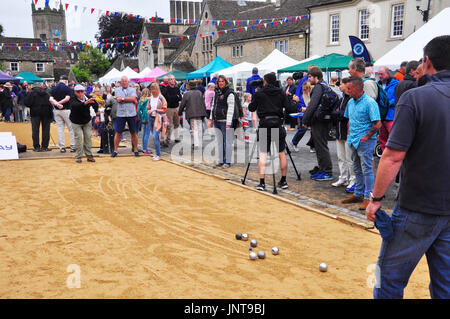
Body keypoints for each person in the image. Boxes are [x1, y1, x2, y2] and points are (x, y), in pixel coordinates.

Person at [366, 35, 450, 299]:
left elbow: (392, 157)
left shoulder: (416, 97)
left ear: (427, 62)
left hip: (418, 207)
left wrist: (375, 199)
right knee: (446, 285)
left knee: (387, 278)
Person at [341, 77, 381, 210]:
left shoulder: (370, 103)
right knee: (357, 168)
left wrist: (367, 136)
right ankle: (358, 194)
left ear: (358, 89)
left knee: (367, 169)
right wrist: (349, 135)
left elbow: (377, 124)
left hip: (365, 141)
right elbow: (349, 120)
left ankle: (368, 198)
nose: (347, 91)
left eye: (349, 88)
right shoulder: (351, 102)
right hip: (354, 139)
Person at [249, 72, 290, 191]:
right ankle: (283, 180)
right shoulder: (281, 92)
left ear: (265, 81)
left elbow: (251, 107)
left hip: (264, 125)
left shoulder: (259, 93)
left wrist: (255, 95)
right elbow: (289, 107)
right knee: (281, 153)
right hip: (277, 124)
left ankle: (262, 182)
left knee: (263, 153)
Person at [302, 67, 334, 181]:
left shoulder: (319, 87)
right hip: (323, 120)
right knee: (319, 146)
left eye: (310, 76)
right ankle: (322, 169)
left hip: (320, 121)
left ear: (316, 77)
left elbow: (312, 105)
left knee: (321, 146)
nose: (308, 78)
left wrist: (305, 120)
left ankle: (327, 172)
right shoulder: (324, 85)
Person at [331, 77, 355, 188]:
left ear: (346, 85)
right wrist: (339, 114)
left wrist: (339, 113)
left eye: (341, 84)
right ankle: (343, 177)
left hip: (347, 132)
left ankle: (352, 179)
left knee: (349, 158)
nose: (339, 86)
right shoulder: (341, 99)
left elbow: (346, 114)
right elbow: (334, 113)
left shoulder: (351, 99)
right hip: (339, 131)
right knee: (341, 157)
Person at [208, 75, 236, 169]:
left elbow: (231, 109)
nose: (221, 83)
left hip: (225, 121)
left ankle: (227, 161)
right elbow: (213, 106)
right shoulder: (216, 92)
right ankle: (220, 160)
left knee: (227, 142)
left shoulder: (230, 93)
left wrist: (228, 123)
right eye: (219, 81)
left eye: (222, 81)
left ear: (226, 82)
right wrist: (211, 118)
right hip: (217, 120)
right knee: (219, 142)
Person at [110, 76, 139, 157]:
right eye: (122, 81)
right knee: (118, 132)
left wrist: (123, 99)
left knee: (133, 132)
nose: (124, 82)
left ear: (128, 82)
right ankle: (115, 150)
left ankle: (136, 149)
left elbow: (133, 98)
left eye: (125, 81)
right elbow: (119, 99)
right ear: (121, 82)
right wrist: (130, 99)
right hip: (121, 114)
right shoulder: (117, 90)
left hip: (131, 113)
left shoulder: (133, 89)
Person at [69, 84, 98, 163]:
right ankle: (78, 156)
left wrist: (97, 115)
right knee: (78, 138)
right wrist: (85, 103)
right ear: (75, 92)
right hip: (75, 121)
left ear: (84, 91)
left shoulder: (88, 97)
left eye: (82, 91)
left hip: (86, 120)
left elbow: (96, 105)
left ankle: (89, 155)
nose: (80, 93)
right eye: (78, 92)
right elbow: (75, 106)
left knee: (88, 137)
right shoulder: (72, 98)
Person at [24, 82, 53, 152]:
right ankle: (45, 146)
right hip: (46, 113)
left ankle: (36, 147)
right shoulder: (46, 93)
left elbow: (27, 103)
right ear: (41, 87)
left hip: (35, 113)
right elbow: (51, 103)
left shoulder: (31, 93)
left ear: (33, 87)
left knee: (35, 130)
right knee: (46, 130)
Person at [49, 75, 75, 153]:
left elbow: (50, 99)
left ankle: (62, 147)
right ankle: (73, 146)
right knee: (71, 128)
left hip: (56, 111)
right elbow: (67, 98)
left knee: (60, 129)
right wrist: (60, 104)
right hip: (66, 110)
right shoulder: (67, 88)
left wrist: (57, 104)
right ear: (66, 81)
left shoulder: (53, 88)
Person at [179, 80, 207, 149]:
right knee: (198, 128)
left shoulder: (187, 94)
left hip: (192, 113)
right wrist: (204, 112)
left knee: (195, 129)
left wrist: (180, 112)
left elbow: (182, 104)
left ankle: (196, 144)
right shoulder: (199, 93)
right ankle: (197, 142)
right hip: (200, 113)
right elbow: (203, 103)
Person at [377, 66, 399, 152]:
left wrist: (386, 103)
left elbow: (397, 97)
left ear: (388, 74)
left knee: (393, 139)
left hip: (391, 117)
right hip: (382, 117)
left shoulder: (396, 84)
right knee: (383, 140)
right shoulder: (378, 84)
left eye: (382, 74)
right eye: (379, 74)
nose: (380, 76)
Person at [148, 82, 168, 161]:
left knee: (155, 136)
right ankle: (157, 153)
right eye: (152, 89)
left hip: (158, 118)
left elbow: (164, 109)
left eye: (155, 89)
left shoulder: (161, 98)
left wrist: (155, 110)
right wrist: (148, 110)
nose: (153, 91)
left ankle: (158, 154)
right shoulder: (150, 98)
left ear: (157, 89)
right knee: (154, 136)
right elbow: (148, 107)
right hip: (151, 118)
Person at [290, 81, 311, 152]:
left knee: (313, 130)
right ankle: (294, 142)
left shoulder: (312, 94)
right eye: (303, 89)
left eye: (305, 89)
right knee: (303, 129)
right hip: (304, 114)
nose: (304, 91)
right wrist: (302, 108)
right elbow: (299, 106)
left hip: (310, 113)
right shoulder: (302, 96)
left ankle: (312, 145)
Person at [163, 75, 182, 146]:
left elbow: (180, 97)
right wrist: (175, 97)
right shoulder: (166, 89)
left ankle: (176, 137)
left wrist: (175, 98)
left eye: (173, 79)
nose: (172, 80)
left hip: (176, 107)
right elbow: (167, 98)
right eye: (171, 79)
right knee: (169, 125)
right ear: (168, 81)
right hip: (169, 108)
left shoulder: (177, 88)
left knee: (177, 123)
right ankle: (167, 139)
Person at [137, 88, 152, 155]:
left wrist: (140, 118)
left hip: (143, 116)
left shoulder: (141, 100)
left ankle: (144, 148)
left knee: (144, 133)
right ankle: (145, 149)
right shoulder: (150, 99)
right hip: (148, 115)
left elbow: (138, 111)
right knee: (147, 133)